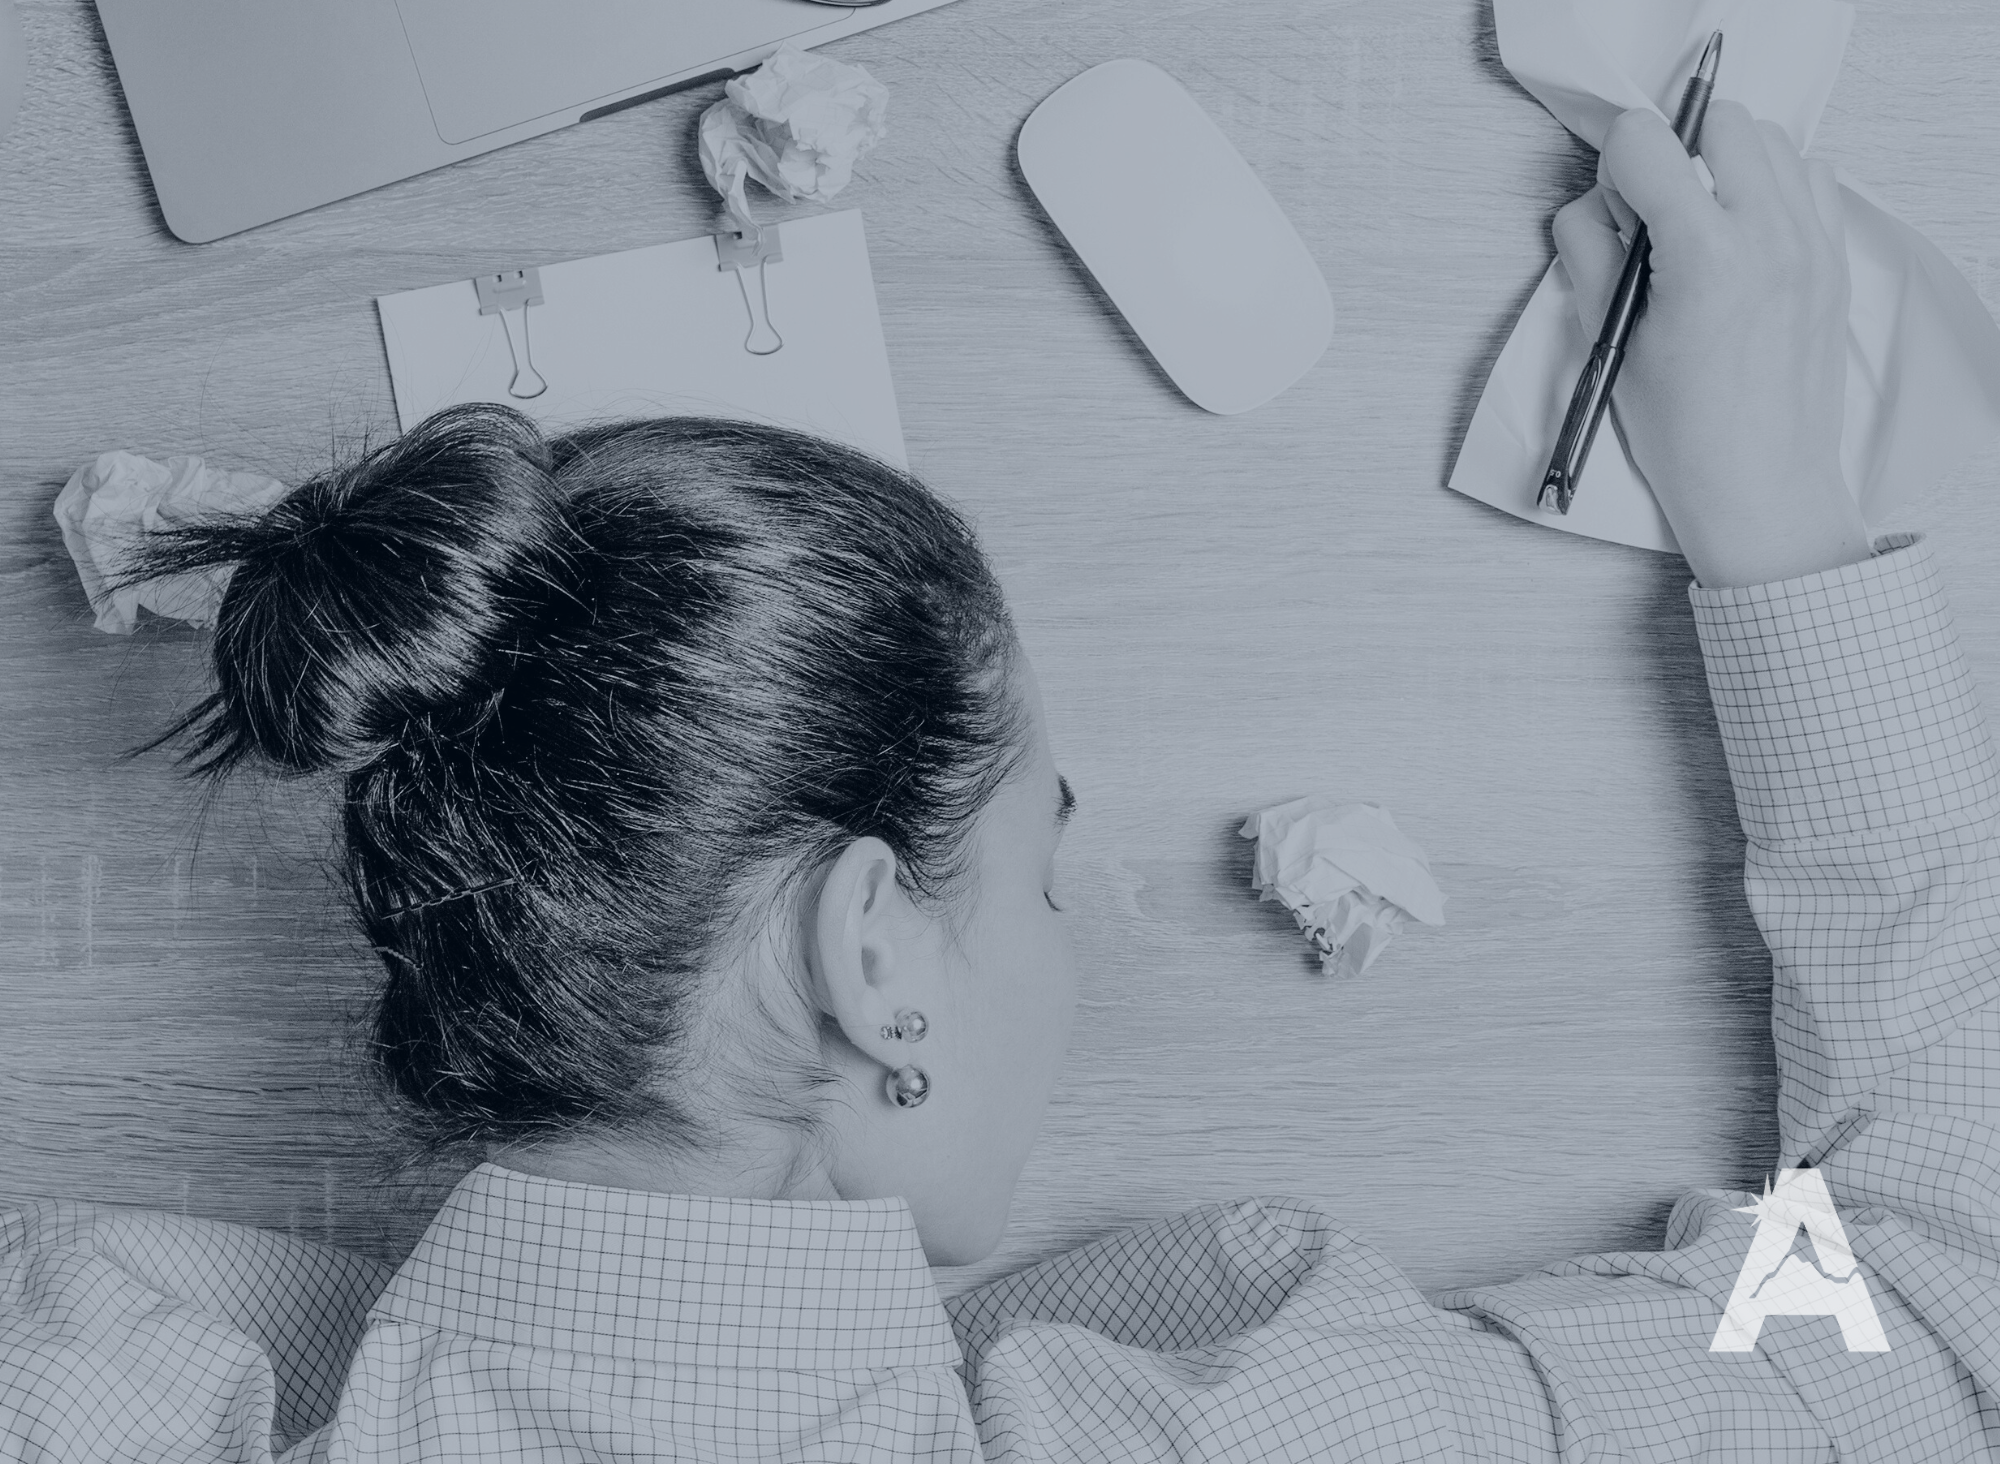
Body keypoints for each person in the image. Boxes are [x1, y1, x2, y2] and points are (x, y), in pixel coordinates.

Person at [2, 102, 1996, 1462]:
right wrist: (1780, 522)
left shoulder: (95, 1364)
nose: (1064, 945)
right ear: (873, 950)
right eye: (1042, 870)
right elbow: (1925, 1322)